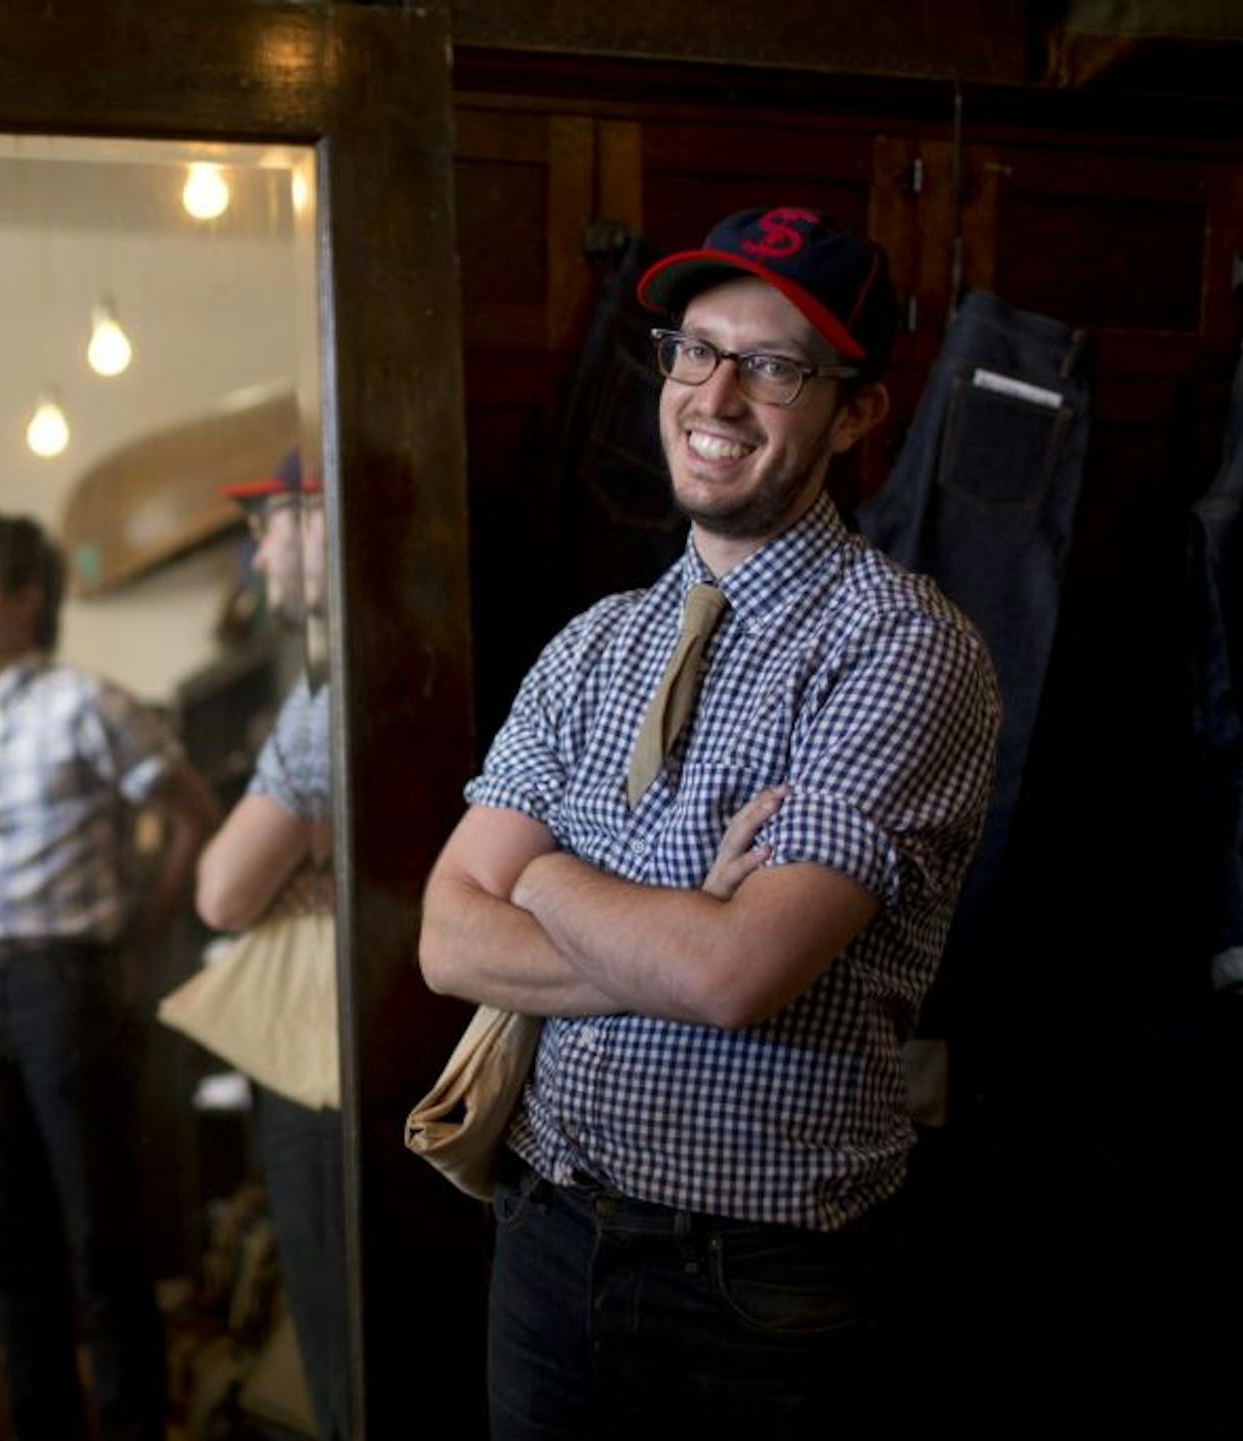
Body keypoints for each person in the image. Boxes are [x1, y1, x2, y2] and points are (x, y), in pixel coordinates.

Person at [417, 207, 1002, 1438]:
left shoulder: (901, 650)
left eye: (775, 365)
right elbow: (444, 940)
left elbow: (737, 975)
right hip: (545, 1233)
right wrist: (671, 933)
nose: (717, 394)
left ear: (855, 413)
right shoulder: (595, 642)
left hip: (759, 1286)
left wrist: (545, 879)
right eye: (696, 349)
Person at [0, 511, 221, 1441]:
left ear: (25, 601)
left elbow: (194, 816)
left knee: (103, 1238)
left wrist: (137, 935)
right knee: (8, 1242)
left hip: (71, 985)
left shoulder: (90, 703)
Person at [192, 452, 348, 1439]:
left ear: (327, 519)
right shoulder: (329, 676)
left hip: (331, 1063)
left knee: (346, 1350)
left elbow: (222, 888)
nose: (258, 548)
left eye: (272, 520)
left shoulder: (330, 696)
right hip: (353, 1047)